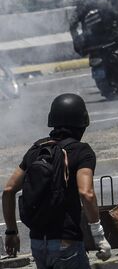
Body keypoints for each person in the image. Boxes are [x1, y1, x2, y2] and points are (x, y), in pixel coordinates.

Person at [2, 93, 111, 268]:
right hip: (66, 243)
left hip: (38, 244)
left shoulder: (37, 149)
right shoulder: (82, 151)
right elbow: (86, 193)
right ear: (82, 123)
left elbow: (8, 190)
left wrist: (11, 231)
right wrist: (99, 236)